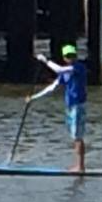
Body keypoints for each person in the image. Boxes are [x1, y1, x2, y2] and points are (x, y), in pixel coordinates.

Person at [28, 44, 88, 173]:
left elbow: (59, 69)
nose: (70, 58)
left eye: (72, 55)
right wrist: (34, 97)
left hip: (78, 105)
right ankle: (77, 165)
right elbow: (52, 87)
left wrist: (45, 60)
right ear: (64, 57)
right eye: (68, 56)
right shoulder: (65, 73)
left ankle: (80, 167)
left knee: (78, 136)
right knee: (74, 136)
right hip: (70, 106)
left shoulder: (78, 68)